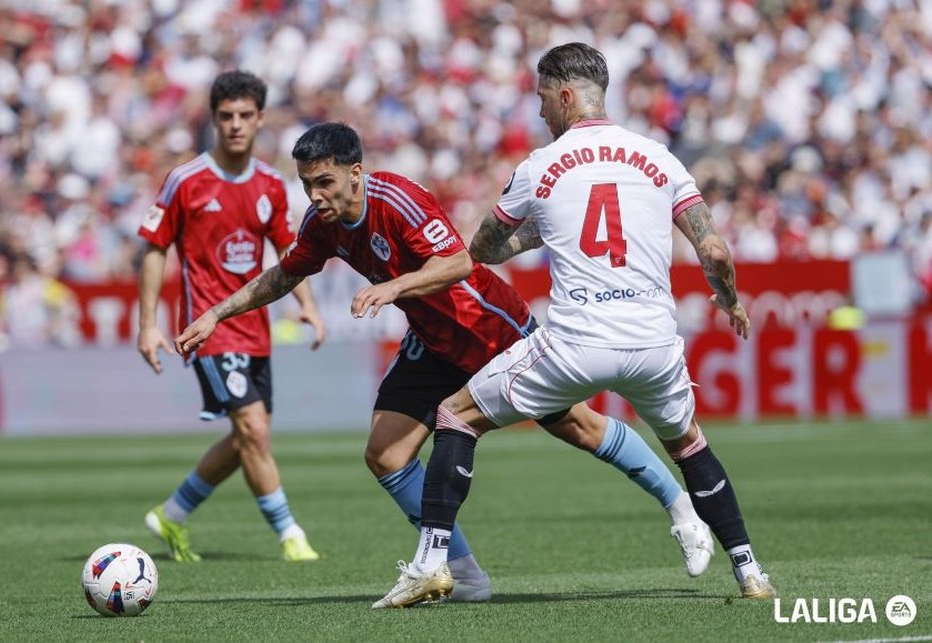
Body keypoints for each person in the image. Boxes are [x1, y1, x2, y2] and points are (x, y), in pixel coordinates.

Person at [175, 122, 715, 603]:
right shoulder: (323, 227)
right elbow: (283, 275)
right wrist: (216, 315)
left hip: (486, 327)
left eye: (325, 182)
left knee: (577, 426)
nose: (315, 195)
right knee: (385, 454)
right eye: (307, 184)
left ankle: (681, 508)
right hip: (432, 341)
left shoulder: (399, 199)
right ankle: (458, 572)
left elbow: (459, 261)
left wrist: (394, 288)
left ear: (355, 173)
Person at [375, 42, 776, 608]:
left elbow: (483, 249)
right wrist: (728, 299)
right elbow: (714, 250)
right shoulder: (659, 157)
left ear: (565, 95)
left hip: (579, 342)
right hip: (654, 345)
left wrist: (542, 230)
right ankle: (750, 571)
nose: (540, 112)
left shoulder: (540, 167)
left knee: (455, 416)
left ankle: (432, 563)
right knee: (689, 446)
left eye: (542, 98)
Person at [136, 70, 325, 564]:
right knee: (254, 432)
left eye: (245, 115)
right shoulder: (186, 180)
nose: (236, 125)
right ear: (213, 120)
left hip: (254, 329)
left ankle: (172, 515)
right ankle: (290, 534)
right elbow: (154, 249)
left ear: (260, 118)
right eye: (226, 116)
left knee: (246, 436)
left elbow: (290, 253)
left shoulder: (270, 184)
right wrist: (148, 323)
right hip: (207, 328)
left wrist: (308, 307)